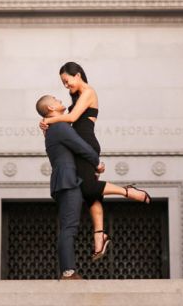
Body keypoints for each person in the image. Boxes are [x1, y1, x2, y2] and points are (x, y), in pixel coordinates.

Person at [39, 61, 151, 262]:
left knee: (88, 188)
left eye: (67, 81)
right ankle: (100, 237)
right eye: (63, 83)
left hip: (87, 144)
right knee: (90, 193)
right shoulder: (76, 96)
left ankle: (128, 192)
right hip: (81, 145)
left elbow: (72, 116)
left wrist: (48, 120)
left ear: (78, 75)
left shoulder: (88, 92)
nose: (66, 86)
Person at [36, 93, 102, 280]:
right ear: (51, 108)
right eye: (56, 100)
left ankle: (68, 270)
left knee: (69, 226)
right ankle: (68, 272)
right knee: (69, 227)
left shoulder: (52, 127)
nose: (60, 101)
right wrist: (97, 163)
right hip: (68, 181)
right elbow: (82, 147)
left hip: (66, 180)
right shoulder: (59, 127)